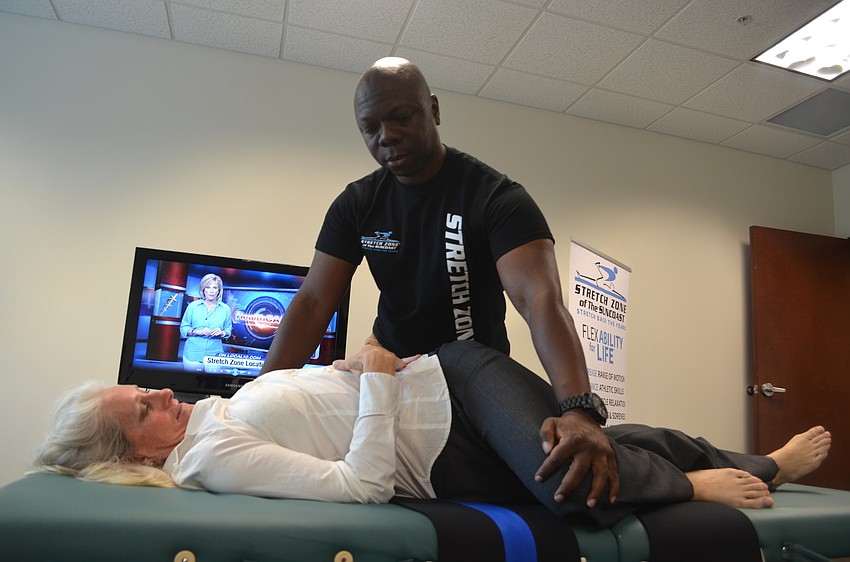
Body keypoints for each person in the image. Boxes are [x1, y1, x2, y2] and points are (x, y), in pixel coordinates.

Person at [260, 56, 615, 507]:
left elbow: (538, 299)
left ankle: (687, 468)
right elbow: (313, 303)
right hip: (393, 374)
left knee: (558, 474)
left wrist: (579, 409)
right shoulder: (357, 205)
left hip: (471, 380)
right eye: (370, 127)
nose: (386, 136)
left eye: (401, 117)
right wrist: (258, 395)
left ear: (434, 109)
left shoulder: (496, 198)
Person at [33, 341, 830, 527]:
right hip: (452, 449)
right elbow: (362, 485)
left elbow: (330, 415)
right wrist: (376, 377)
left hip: (456, 377)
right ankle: (731, 472)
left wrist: (352, 370)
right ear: (137, 452)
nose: (161, 391)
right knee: (585, 470)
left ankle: (739, 467)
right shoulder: (210, 459)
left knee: (590, 451)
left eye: (144, 387)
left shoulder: (221, 410)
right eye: (142, 406)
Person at [180, 273, 233, 372]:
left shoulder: (225, 309)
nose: (211, 291)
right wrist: (198, 331)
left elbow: (228, 329)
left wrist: (222, 333)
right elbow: (183, 328)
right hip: (193, 354)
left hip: (214, 355)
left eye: (215, 288)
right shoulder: (193, 306)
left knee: (211, 385)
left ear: (219, 290)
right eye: (208, 287)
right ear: (203, 289)